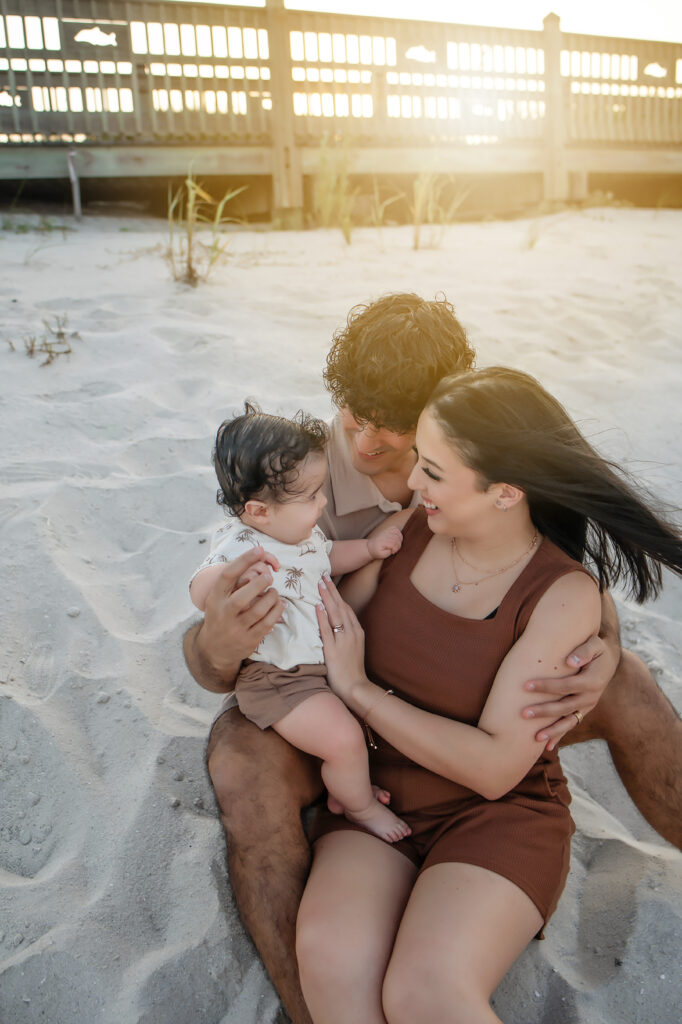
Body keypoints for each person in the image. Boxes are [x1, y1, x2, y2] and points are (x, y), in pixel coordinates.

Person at [183, 294, 682, 1024]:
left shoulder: (473, 466)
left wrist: (601, 645)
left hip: (473, 763)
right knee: (243, 764)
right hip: (352, 744)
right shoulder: (303, 475)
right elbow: (214, 652)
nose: (367, 447)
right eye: (353, 417)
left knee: (628, 684)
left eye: (400, 439)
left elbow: (554, 575)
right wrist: (219, 643)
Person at [297, 366, 682, 1023]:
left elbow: (496, 768)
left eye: (435, 472)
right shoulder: (416, 523)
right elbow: (325, 614)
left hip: (495, 818)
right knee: (333, 962)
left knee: (424, 993)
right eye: (420, 461)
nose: (413, 483)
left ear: (505, 493)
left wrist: (359, 690)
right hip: (372, 801)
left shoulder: (560, 594)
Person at [189, 405, 409, 842]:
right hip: (279, 680)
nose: (322, 502)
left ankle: (340, 791)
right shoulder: (243, 544)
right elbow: (199, 589)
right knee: (344, 739)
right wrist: (233, 579)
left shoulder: (303, 534)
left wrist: (368, 548)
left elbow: (329, 557)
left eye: (321, 490)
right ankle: (361, 807)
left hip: (313, 671)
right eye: (311, 497)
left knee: (350, 732)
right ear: (258, 511)